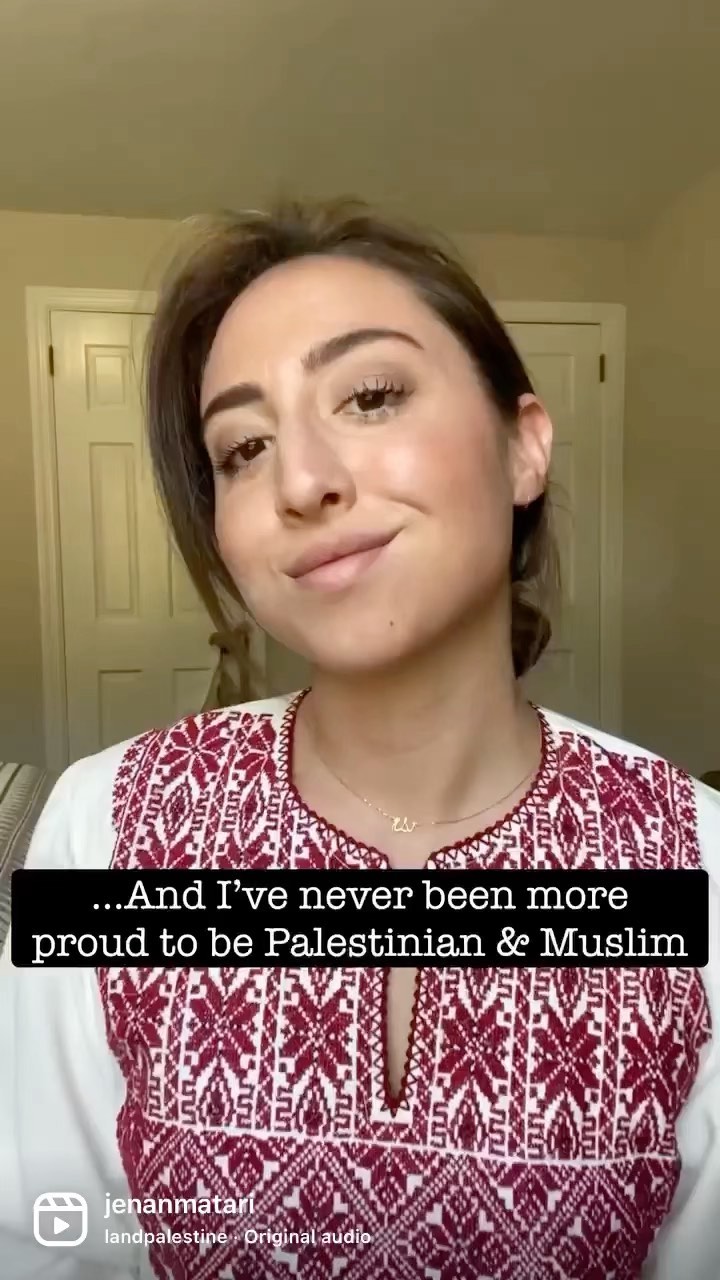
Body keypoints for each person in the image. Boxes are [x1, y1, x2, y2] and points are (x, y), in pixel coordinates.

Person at [1, 199, 719, 1280]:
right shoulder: (102, 829)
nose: (301, 483)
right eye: (243, 448)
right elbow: (47, 1240)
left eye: (372, 396)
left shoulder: (696, 861)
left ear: (524, 447)